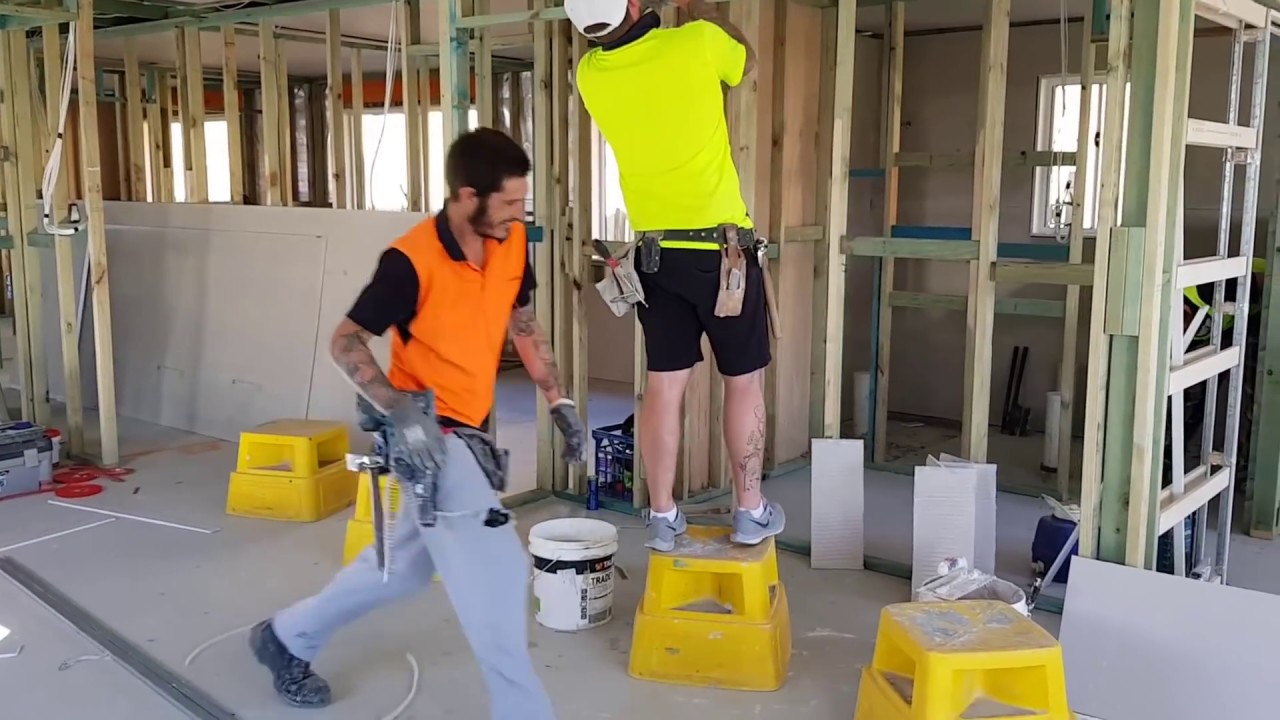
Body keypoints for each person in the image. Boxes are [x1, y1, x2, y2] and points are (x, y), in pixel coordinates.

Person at [248, 128, 582, 720]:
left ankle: (284, 637)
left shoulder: (507, 243)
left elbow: (522, 323)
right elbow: (346, 341)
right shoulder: (410, 262)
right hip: (428, 434)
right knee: (499, 569)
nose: (516, 217)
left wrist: (559, 399)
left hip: (471, 429)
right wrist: (398, 413)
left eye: (520, 205)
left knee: (399, 572)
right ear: (465, 196)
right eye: (506, 204)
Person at [564, 0, 784, 552]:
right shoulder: (697, 41)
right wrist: (707, 15)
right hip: (722, 255)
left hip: (654, 259)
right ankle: (750, 511)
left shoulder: (588, 75)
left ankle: (662, 517)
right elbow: (746, 63)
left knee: (664, 384)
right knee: (743, 380)